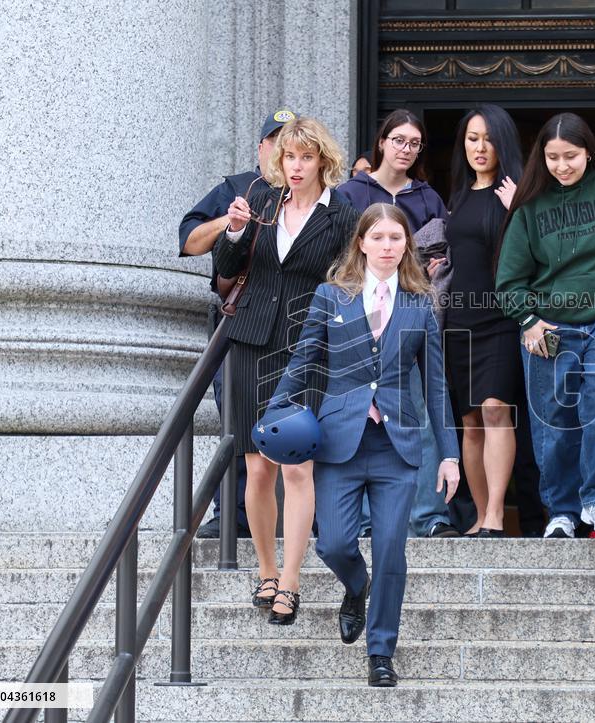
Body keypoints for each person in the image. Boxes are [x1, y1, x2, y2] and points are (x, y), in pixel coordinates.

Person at [267, 203, 460, 686]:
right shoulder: (331, 296)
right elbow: (305, 358)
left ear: (406, 246)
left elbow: (435, 385)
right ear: (362, 243)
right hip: (339, 443)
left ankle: (380, 652)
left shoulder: (420, 304)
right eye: (379, 238)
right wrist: (275, 409)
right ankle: (356, 585)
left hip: (397, 447)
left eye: (397, 238)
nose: (388, 246)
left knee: (392, 549)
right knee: (333, 543)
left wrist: (451, 453)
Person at [213, 117, 360, 620]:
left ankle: (291, 581)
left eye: (306, 157)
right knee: (257, 466)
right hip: (251, 340)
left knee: (296, 465)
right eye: (289, 157)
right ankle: (265, 570)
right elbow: (226, 271)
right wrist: (233, 231)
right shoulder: (260, 205)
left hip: (307, 348)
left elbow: (350, 281)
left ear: (323, 161)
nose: (296, 167)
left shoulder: (342, 214)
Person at [496, 113, 595, 539]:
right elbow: (509, 279)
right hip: (549, 326)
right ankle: (562, 511)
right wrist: (528, 321)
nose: (562, 165)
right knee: (553, 420)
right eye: (552, 157)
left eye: (571, 155)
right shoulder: (530, 203)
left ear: (589, 151)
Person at [178, 107, 298, 539]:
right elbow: (189, 241)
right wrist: (230, 221)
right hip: (241, 321)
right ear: (262, 148)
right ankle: (232, 516)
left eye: (295, 144)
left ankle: (310, 518)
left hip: (297, 323)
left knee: (299, 421)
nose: (286, 152)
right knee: (238, 423)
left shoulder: (317, 196)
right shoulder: (237, 187)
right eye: (277, 142)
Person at [340, 109, 459, 539]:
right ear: (382, 142)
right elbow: (337, 253)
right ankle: (368, 520)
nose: (406, 149)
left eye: (414, 143)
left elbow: (445, 255)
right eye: (399, 140)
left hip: (410, 311)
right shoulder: (351, 193)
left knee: (419, 412)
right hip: (359, 314)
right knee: (363, 418)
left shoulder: (427, 198)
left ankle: (430, 516)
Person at [431, 104, 522, 537]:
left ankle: (498, 514)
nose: (480, 147)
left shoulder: (519, 192)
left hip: (503, 315)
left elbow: (535, 252)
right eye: (472, 138)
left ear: (502, 142)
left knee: (495, 409)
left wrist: (518, 208)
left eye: (487, 138)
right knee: (469, 420)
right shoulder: (459, 194)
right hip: (460, 320)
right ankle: (479, 517)